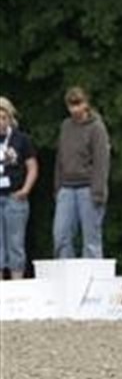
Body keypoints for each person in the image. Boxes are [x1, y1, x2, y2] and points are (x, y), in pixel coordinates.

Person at [53, 86, 111, 258]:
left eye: (78, 104)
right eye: (71, 105)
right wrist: (58, 188)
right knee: (60, 236)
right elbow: (60, 158)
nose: (75, 109)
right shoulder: (65, 126)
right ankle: (65, 271)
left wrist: (98, 192)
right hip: (66, 188)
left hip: (88, 188)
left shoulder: (97, 128)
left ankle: (93, 273)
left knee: (91, 241)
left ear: (86, 104)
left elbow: (101, 162)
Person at [0, 97, 38, 279]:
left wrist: (25, 190)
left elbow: (32, 166)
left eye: (3, 118)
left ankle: (17, 286)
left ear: (10, 118)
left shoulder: (21, 139)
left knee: (15, 244)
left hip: (14, 197)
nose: (0, 122)